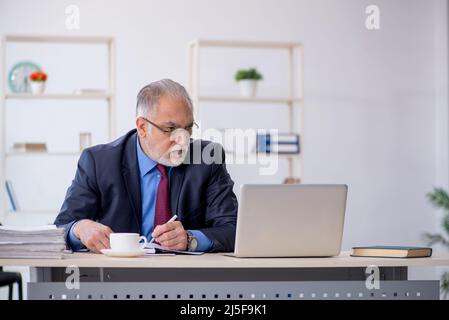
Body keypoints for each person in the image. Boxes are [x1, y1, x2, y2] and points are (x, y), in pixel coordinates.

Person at [54, 79, 238, 253]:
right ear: (142, 127)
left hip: (185, 276)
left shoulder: (206, 159)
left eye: (188, 128)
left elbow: (234, 228)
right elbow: (61, 227)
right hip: (117, 276)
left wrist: (191, 239)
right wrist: (80, 228)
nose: (182, 140)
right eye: (170, 129)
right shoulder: (98, 162)